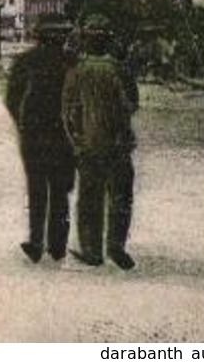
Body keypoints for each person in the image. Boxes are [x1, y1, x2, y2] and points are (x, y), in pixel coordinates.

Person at [62, 14, 138, 270]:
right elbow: (132, 104)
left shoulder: (77, 71)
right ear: (109, 42)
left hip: (89, 145)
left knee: (89, 198)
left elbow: (69, 111)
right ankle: (116, 247)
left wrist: (76, 140)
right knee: (121, 197)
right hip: (118, 144)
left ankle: (92, 250)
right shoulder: (120, 69)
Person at [4, 15, 75, 263]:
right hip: (63, 135)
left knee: (36, 190)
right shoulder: (71, 62)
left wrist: (23, 123)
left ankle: (36, 242)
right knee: (60, 190)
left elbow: (12, 97)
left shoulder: (26, 61)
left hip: (34, 134)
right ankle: (58, 245)